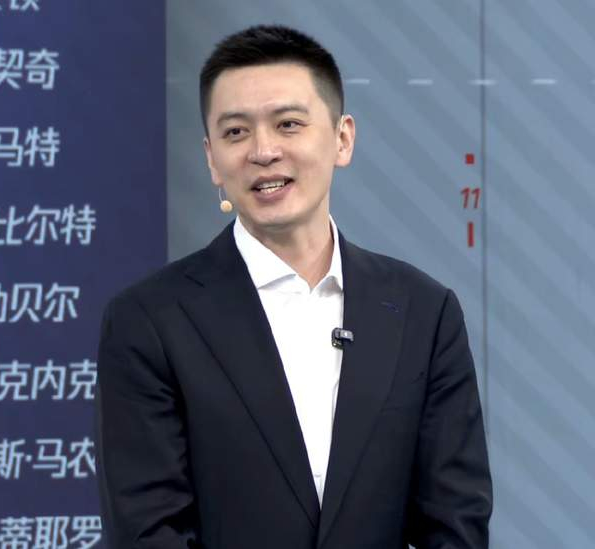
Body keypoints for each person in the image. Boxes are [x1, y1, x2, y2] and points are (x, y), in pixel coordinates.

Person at [95, 24, 492, 549]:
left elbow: (456, 522)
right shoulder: (149, 320)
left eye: (288, 124)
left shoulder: (424, 311)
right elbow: (148, 531)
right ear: (211, 158)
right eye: (236, 132)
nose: (263, 151)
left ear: (342, 138)